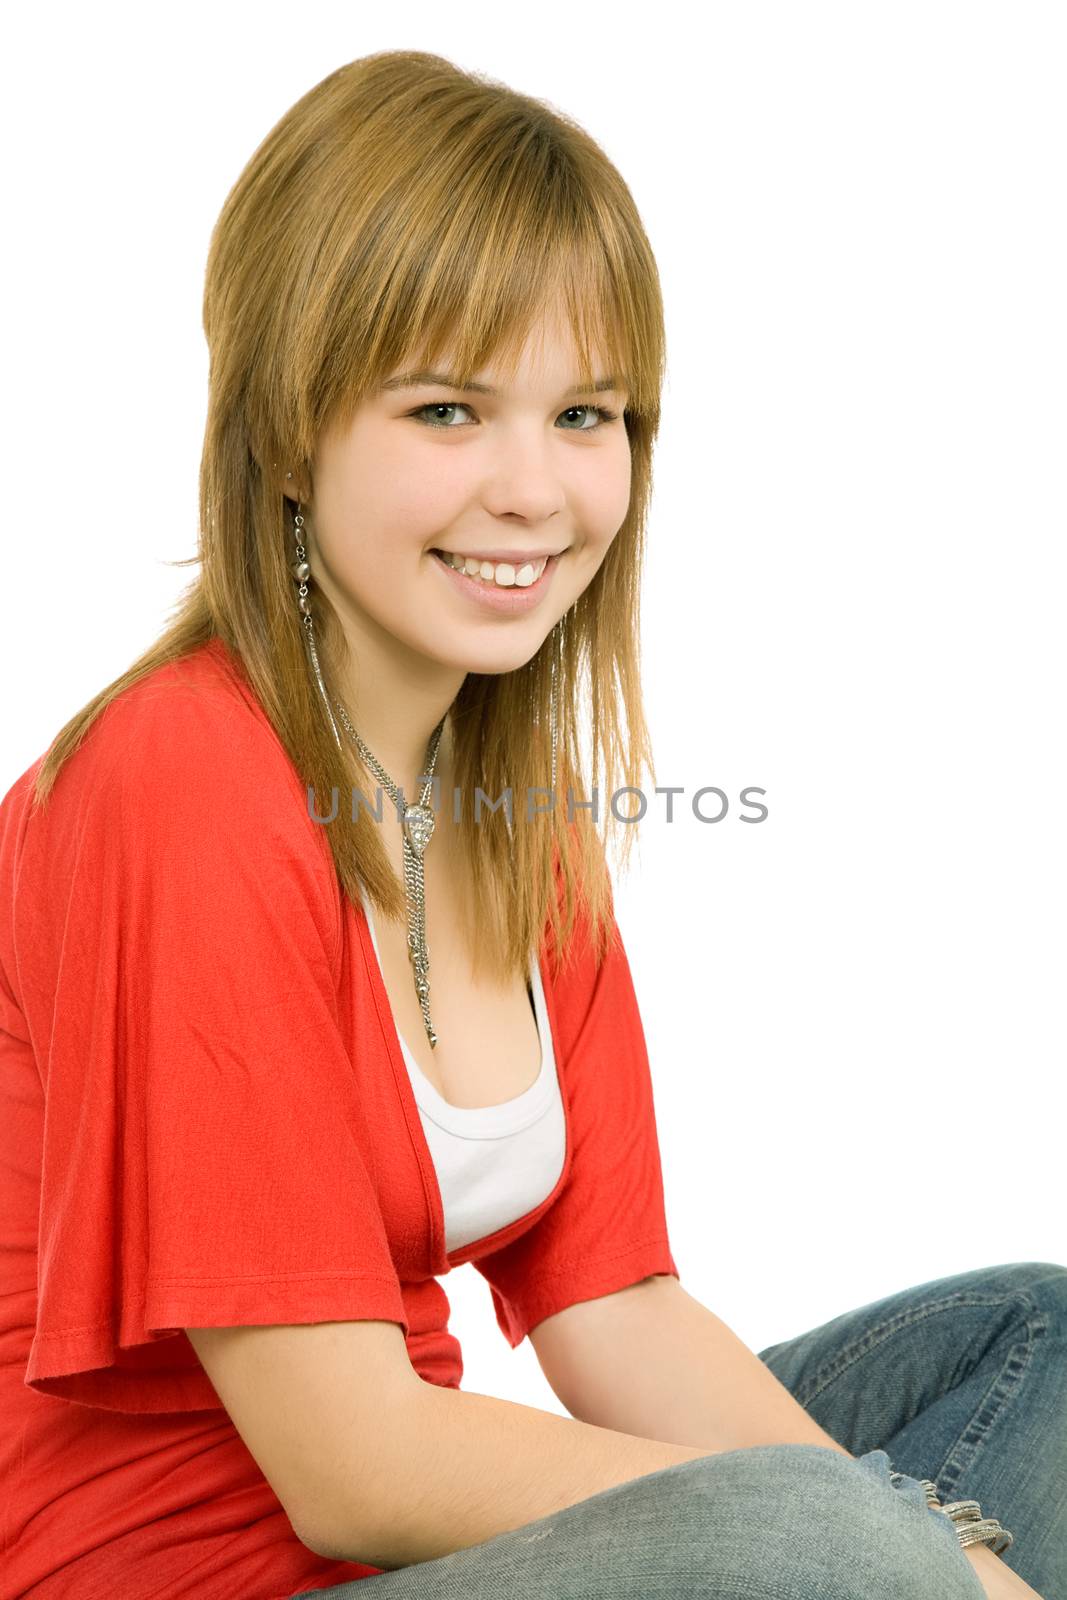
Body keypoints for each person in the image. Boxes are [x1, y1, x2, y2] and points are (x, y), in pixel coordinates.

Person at [0, 48, 1063, 1600]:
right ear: (290, 434)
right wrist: (891, 1551)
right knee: (833, 1535)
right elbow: (355, 1468)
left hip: (425, 1556)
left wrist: (917, 1555)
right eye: (447, 409)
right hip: (193, 1581)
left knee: (1039, 1343)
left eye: (586, 414)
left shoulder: (508, 818)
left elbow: (615, 1308)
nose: (535, 489)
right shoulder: (175, 781)